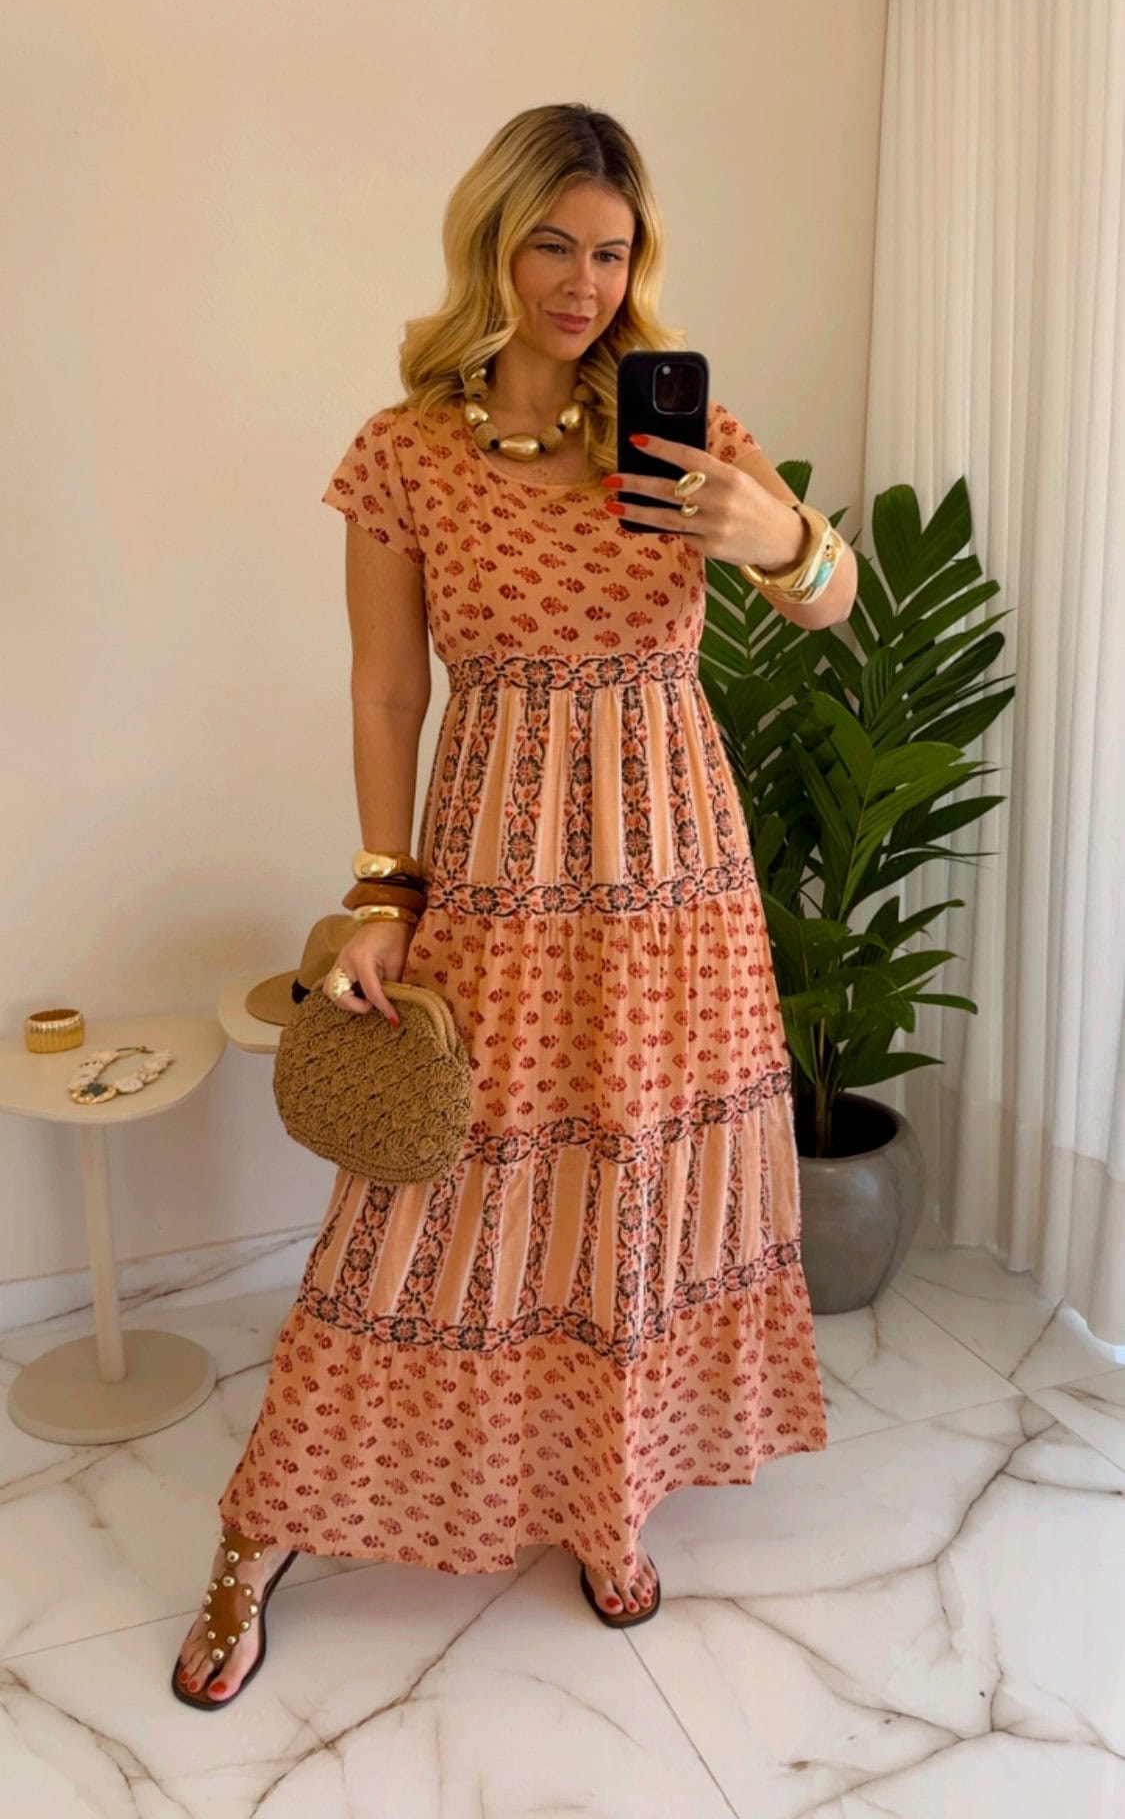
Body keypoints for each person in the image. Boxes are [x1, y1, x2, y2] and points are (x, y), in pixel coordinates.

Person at [173, 102, 855, 1710]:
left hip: (674, 872)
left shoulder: (681, 425)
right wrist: (378, 887)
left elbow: (829, 605)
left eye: (611, 252)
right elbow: (384, 688)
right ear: (489, 242)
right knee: (428, 1194)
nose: (580, 283)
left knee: (639, 1181)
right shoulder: (404, 450)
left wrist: (774, 531)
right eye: (550, 243)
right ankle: (259, 1529)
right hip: (497, 861)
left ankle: (606, 1495)